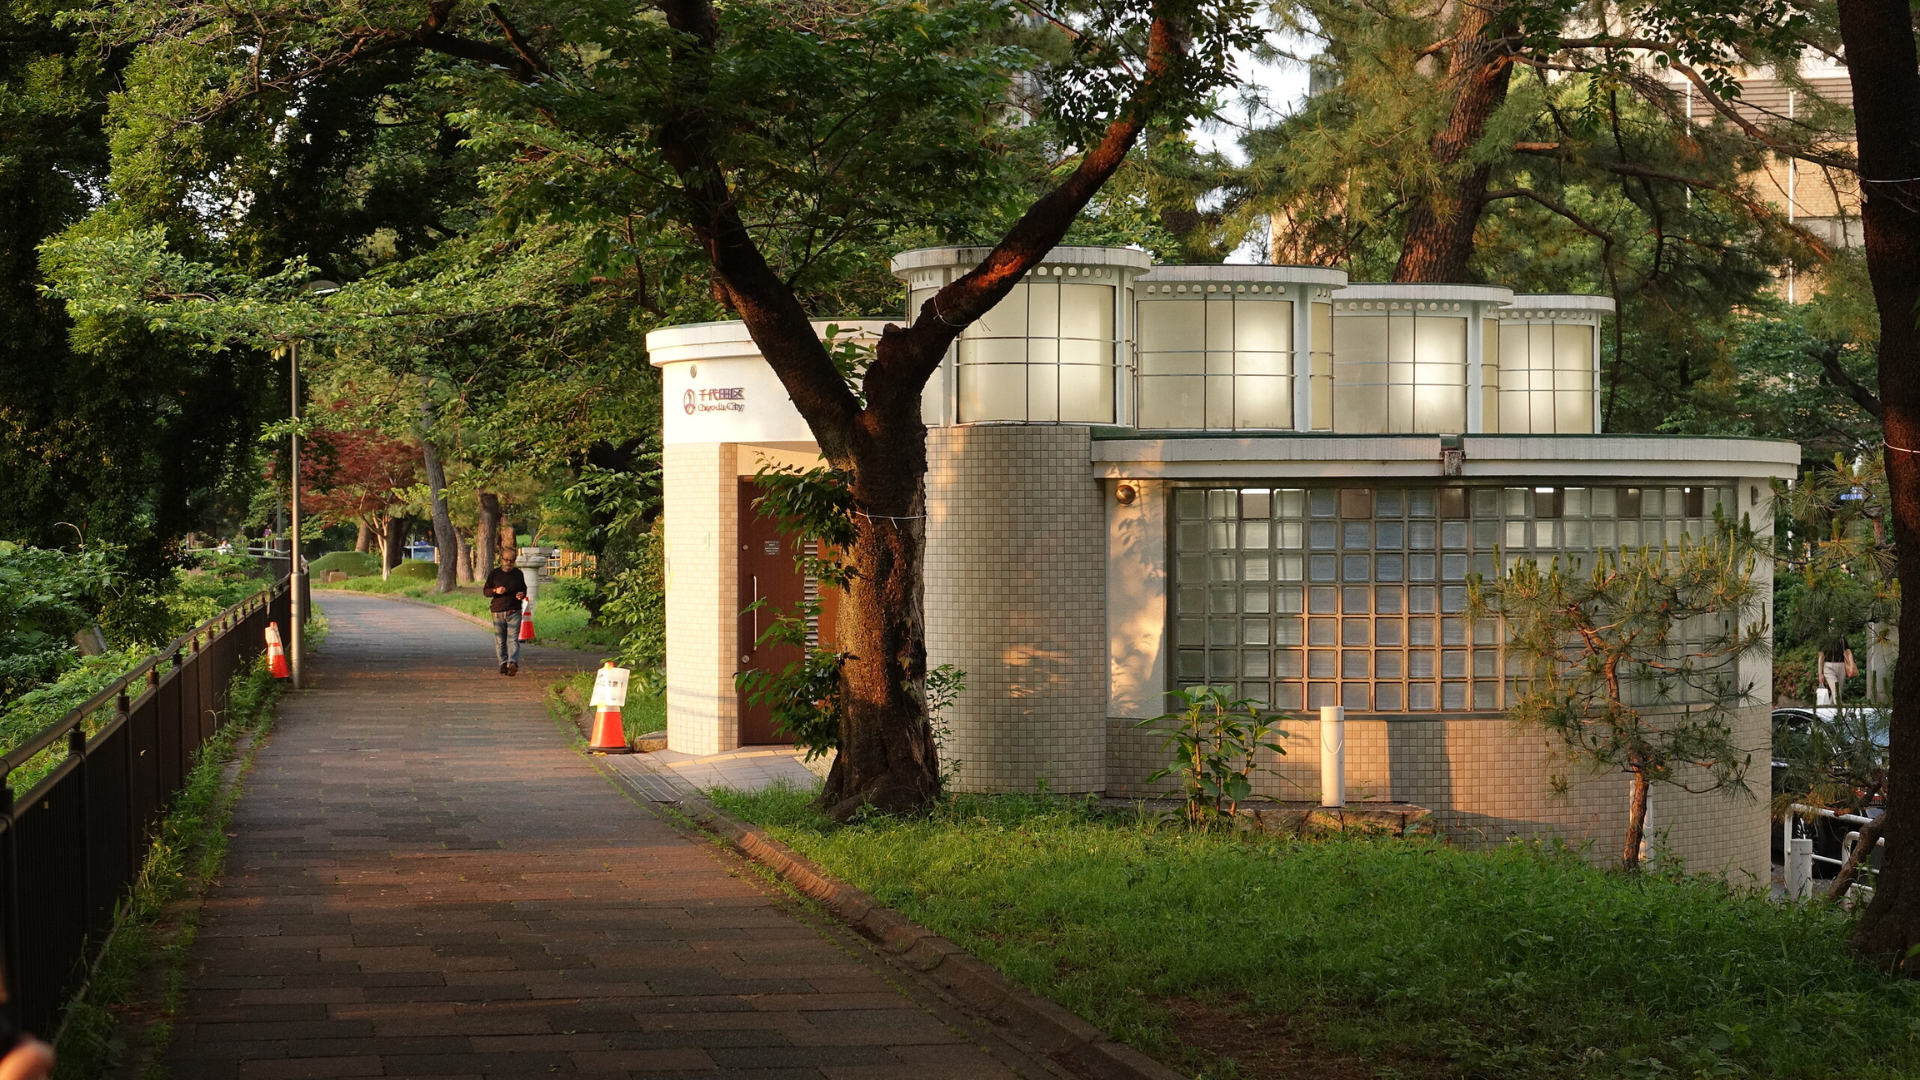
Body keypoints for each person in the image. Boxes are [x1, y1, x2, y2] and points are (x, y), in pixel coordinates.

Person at [483, 551, 528, 676]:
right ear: (501, 559)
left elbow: (524, 589)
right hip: (498, 611)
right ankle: (503, 663)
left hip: (514, 610)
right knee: (500, 639)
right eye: (506, 559)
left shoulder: (518, 574)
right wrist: (495, 590)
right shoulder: (494, 574)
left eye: (512, 560)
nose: (508, 562)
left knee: (513, 638)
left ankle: (513, 663)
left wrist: (522, 594)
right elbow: (486, 591)